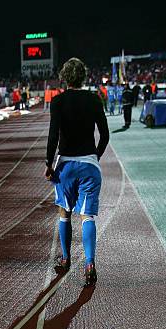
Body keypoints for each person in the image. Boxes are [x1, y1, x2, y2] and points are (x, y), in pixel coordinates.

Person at [45, 57, 109, 287]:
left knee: (64, 213)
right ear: (83, 76)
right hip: (89, 164)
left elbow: (53, 136)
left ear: (64, 77)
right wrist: (95, 156)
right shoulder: (94, 99)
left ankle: (65, 258)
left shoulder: (58, 101)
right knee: (87, 216)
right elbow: (105, 135)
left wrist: (48, 164)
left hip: (66, 166)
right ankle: (90, 262)